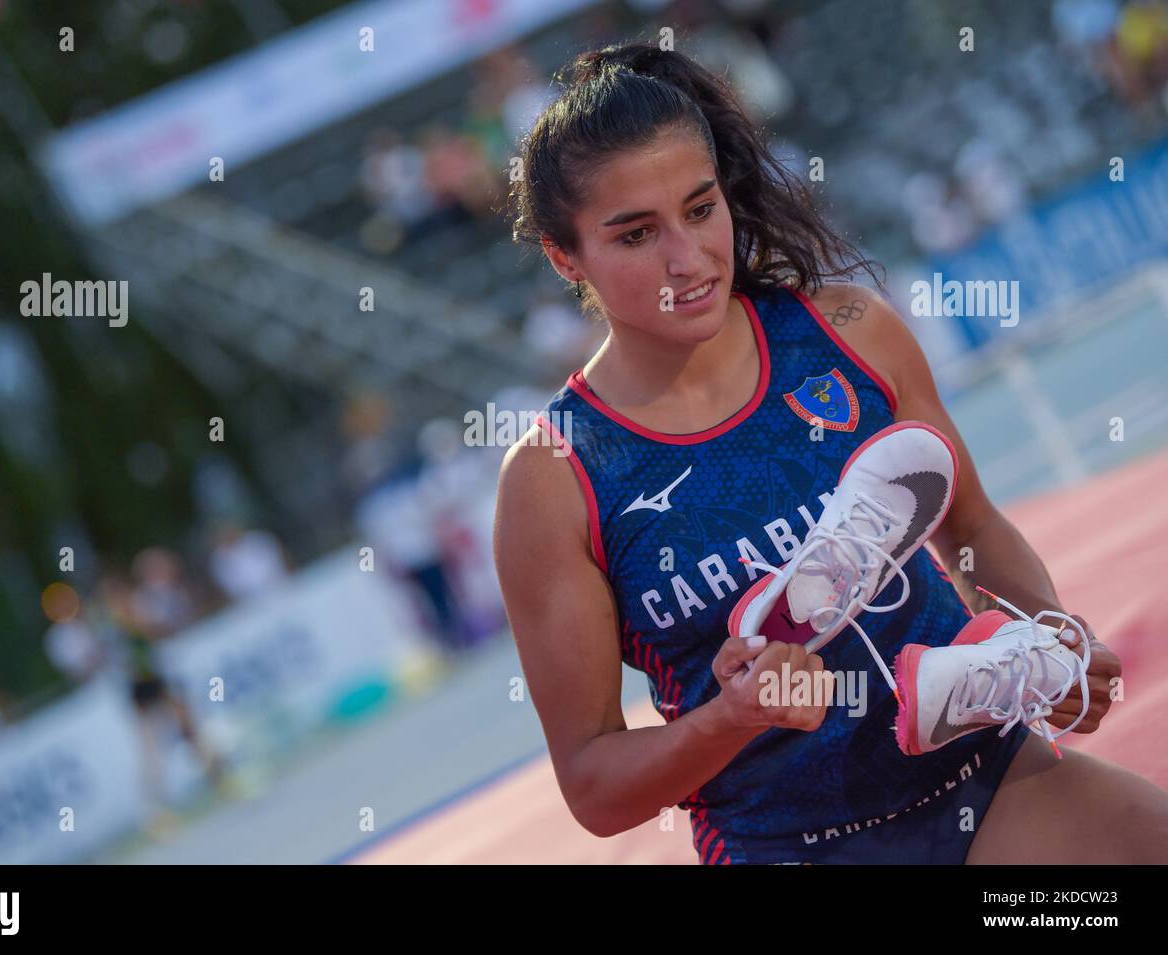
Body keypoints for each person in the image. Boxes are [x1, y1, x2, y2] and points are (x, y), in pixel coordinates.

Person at [493, 40, 1168, 864]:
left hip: (985, 786)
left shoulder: (847, 333)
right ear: (567, 257)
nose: (688, 258)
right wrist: (730, 717)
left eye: (701, 209)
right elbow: (594, 784)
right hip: (790, 844)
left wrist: (1052, 641)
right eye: (635, 235)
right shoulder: (554, 478)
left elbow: (975, 528)